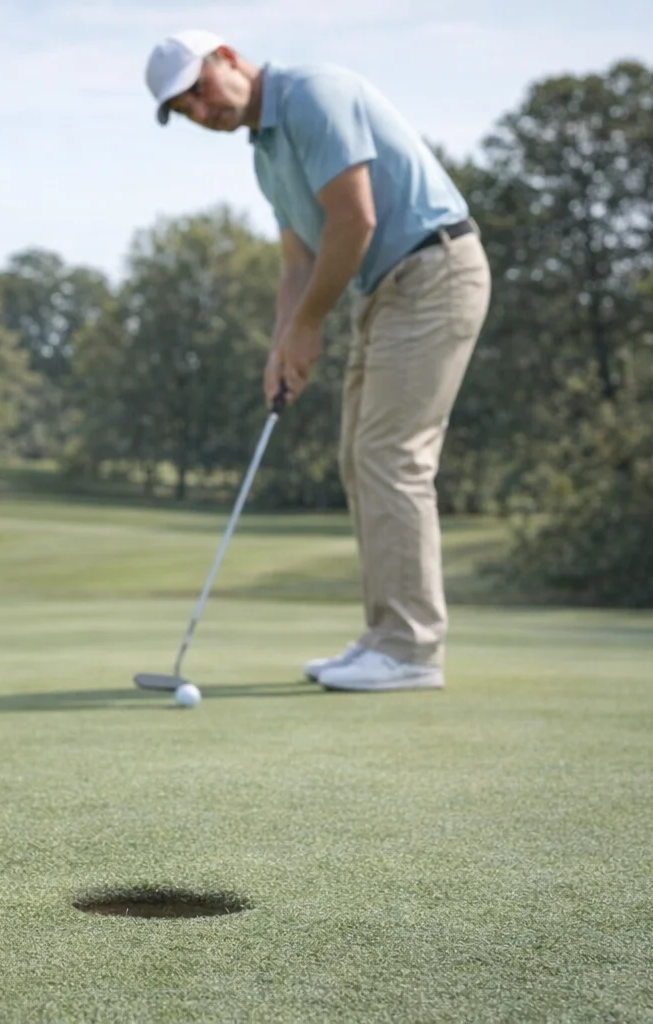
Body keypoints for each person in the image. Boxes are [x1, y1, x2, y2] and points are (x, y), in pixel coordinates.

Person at [144, 30, 491, 692]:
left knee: (392, 456)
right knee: (361, 458)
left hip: (433, 269)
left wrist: (308, 325)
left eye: (199, 88)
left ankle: (411, 650)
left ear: (228, 57)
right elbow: (298, 261)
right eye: (182, 107)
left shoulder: (310, 94)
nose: (198, 109)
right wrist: (284, 342)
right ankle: (386, 636)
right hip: (385, 289)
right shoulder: (265, 153)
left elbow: (353, 220)